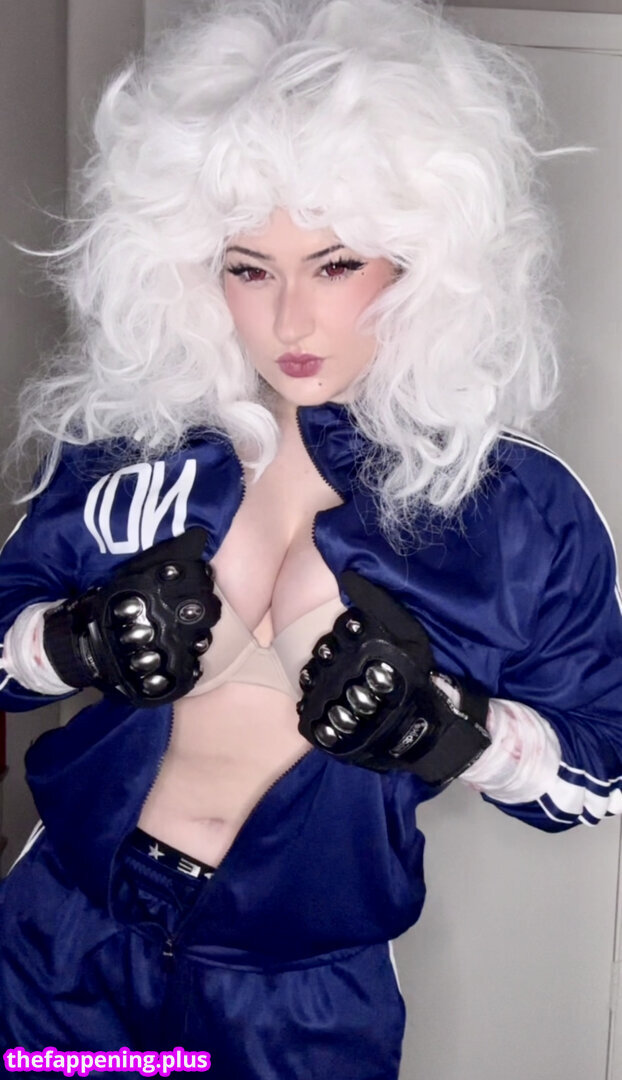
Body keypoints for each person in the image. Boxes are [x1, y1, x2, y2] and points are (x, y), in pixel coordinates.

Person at [0, 0, 621, 1075]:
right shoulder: (128, 448)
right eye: (248, 267)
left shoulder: (515, 507)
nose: (290, 321)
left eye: (335, 265)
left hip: (298, 1000)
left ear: (423, 260)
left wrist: (452, 730)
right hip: (62, 943)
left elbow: (595, 776)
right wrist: (72, 641)